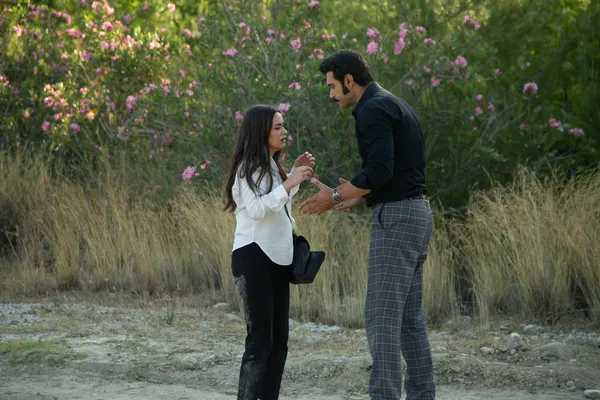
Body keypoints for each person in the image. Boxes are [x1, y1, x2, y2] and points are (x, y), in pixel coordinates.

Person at [299, 50, 435, 400]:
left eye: (332, 86)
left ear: (349, 80)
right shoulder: (394, 102)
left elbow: (379, 171)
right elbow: (396, 171)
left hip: (398, 217)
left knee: (381, 318)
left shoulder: (372, 109)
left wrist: (334, 197)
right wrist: (358, 194)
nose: (331, 95)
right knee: (409, 319)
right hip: (418, 213)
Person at [224, 105, 315, 400]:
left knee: (279, 344)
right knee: (260, 342)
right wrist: (290, 181)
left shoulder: (273, 168)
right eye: (277, 127)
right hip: (253, 258)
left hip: (278, 259)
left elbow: (278, 202)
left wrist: (292, 176)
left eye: (283, 125)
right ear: (261, 131)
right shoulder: (247, 168)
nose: (284, 131)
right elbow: (256, 209)